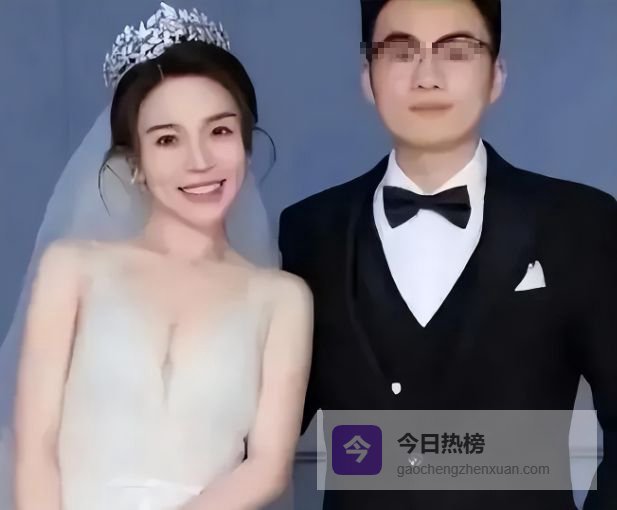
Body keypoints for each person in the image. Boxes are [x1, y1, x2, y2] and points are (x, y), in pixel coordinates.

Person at [278, 0, 616, 509]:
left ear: (496, 75)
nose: (427, 76)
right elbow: (267, 428)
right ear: (367, 75)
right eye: (401, 51)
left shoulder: (579, 222)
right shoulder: (309, 231)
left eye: (456, 52)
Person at [0, 3, 313, 510]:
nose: (199, 160)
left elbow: (267, 468)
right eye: (167, 139)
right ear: (135, 162)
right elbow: (34, 447)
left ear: (246, 143)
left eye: (219, 131)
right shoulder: (72, 268)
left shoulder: (282, 298)